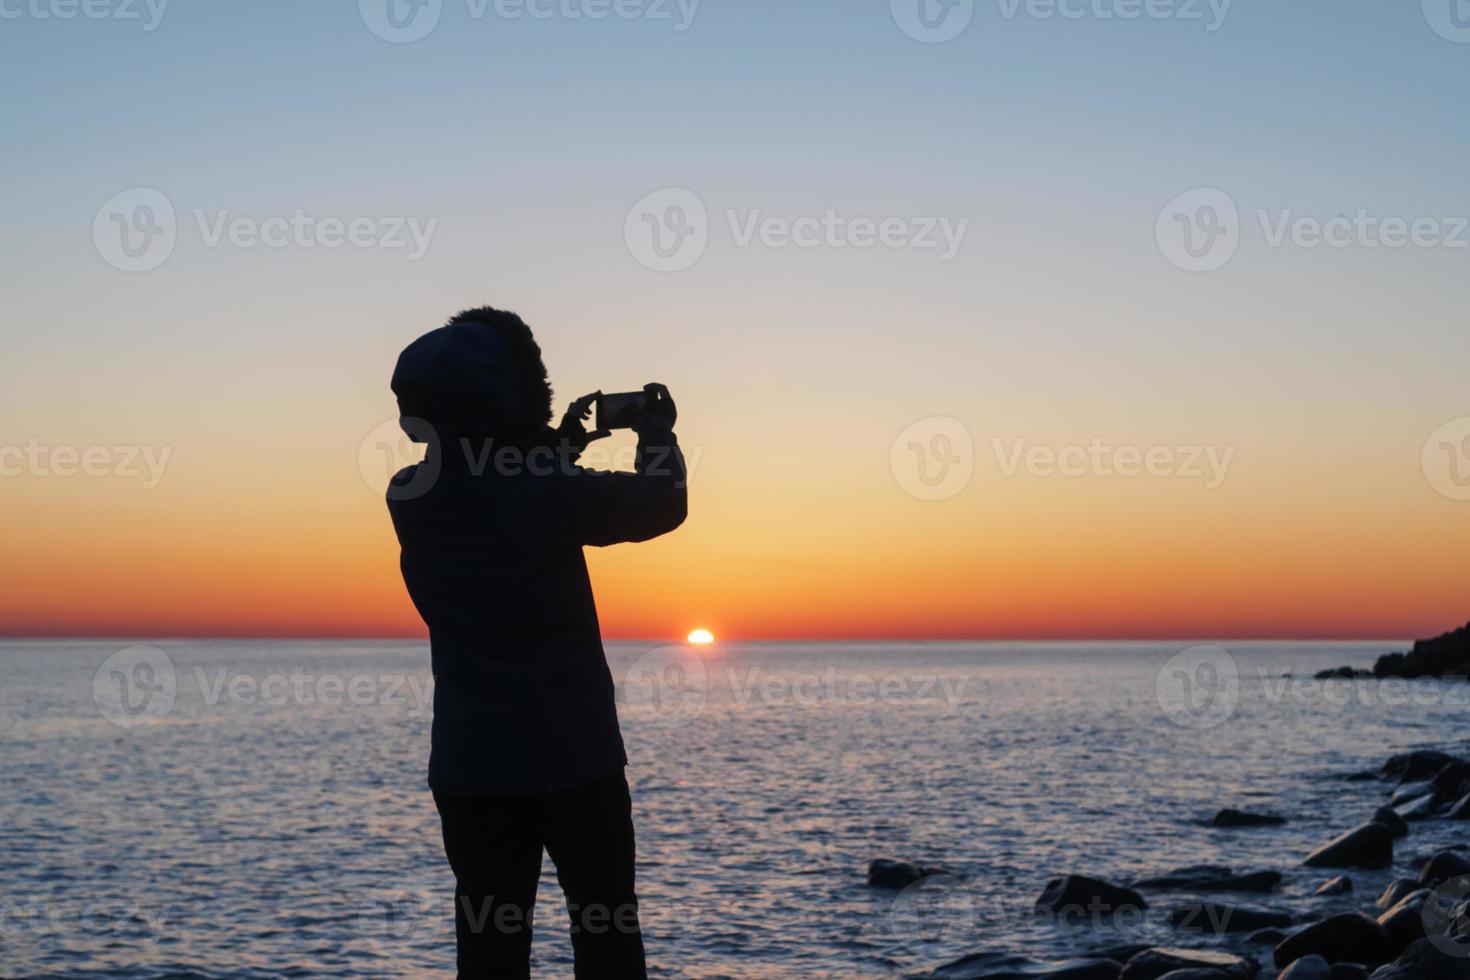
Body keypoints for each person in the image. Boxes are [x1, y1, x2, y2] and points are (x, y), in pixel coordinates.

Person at [385, 307, 687, 979]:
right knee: (606, 938)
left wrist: (556, 445)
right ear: (517, 395)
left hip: (471, 770)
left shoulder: (408, 495)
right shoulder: (546, 494)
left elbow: (496, 479)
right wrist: (657, 428)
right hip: (575, 764)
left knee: (490, 953)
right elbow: (661, 501)